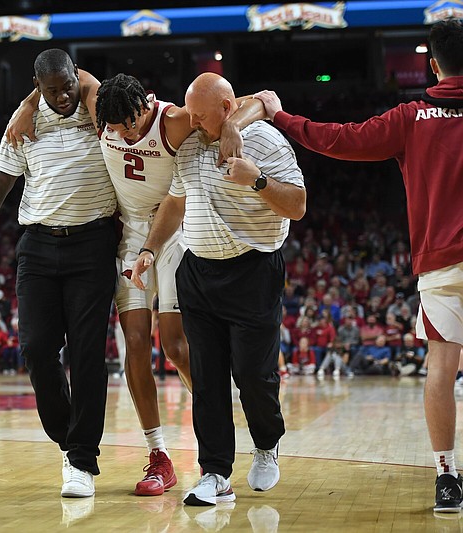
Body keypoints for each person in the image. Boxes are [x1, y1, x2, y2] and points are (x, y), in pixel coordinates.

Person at [7, 71, 264, 496]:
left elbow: (263, 98)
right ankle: (158, 455)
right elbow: (71, 73)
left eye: (132, 122)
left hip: (176, 234)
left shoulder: (176, 121)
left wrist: (234, 123)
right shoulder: (104, 110)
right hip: (130, 240)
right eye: (116, 127)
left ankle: (221, 429)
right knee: (136, 347)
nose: (126, 131)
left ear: (147, 101)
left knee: (177, 346)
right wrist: (28, 103)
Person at [254, 18, 463, 513]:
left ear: (432, 66)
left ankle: (447, 478)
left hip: (442, 264)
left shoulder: (413, 117)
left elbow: (338, 139)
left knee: (440, 370)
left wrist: (281, 117)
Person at [131, 72, 306, 507]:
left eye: (203, 116)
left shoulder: (265, 141)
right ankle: (215, 473)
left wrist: (258, 181)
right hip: (198, 272)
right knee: (206, 379)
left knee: (254, 376)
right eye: (191, 114)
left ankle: (267, 445)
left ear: (228, 110)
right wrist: (150, 248)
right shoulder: (190, 141)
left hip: (254, 271)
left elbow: (299, 205)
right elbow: (174, 200)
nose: (194, 123)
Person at [0, 48, 117, 499]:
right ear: (37, 86)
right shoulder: (23, 123)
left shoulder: (95, 109)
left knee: (86, 354)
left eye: (68, 86)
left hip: (93, 243)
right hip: (39, 247)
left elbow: (90, 86)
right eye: (50, 90)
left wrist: (71, 90)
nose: (62, 96)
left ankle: (82, 457)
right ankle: (68, 440)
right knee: (37, 350)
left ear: (76, 77)